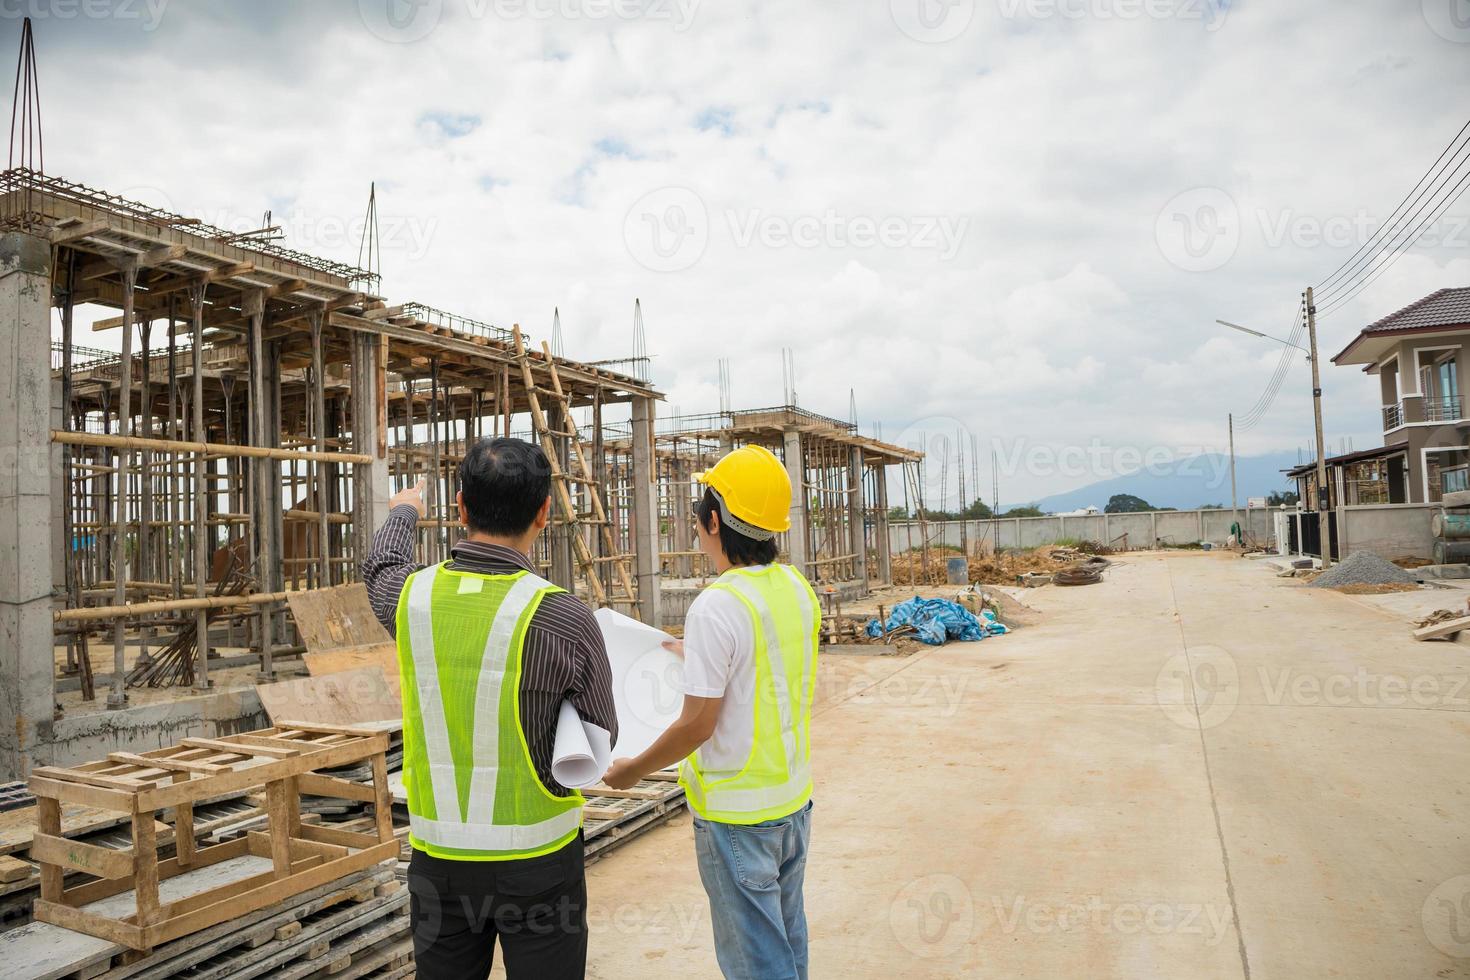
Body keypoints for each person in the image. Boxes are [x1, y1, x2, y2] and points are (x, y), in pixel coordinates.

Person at [361, 437, 617, 980]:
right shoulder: (564, 617)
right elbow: (601, 731)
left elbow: (381, 567)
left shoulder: (413, 600)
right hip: (540, 864)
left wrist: (404, 511)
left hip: (440, 862)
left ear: (461, 507)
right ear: (544, 512)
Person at [603, 444, 820, 980]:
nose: (696, 530)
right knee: (788, 943)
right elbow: (766, 661)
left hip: (738, 816)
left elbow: (698, 724)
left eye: (699, 519)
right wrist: (698, 657)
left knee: (757, 964)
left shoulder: (717, 605)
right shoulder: (796, 587)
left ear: (715, 520)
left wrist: (633, 770)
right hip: (793, 803)